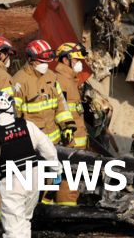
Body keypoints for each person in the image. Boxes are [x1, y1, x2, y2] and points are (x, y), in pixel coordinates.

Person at [0, 91, 58, 238]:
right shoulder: (27, 125)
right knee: (25, 220)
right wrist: (56, 168)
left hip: (12, 181)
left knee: (14, 228)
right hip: (33, 177)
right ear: (10, 107)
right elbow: (46, 146)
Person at [11, 39, 75, 145]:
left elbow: (61, 104)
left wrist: (67, 126)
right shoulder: (19, 81)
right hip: (34, 144)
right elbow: (14, 115)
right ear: (31, 60)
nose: (45, 65)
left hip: (55, 142)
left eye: (46, 62)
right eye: (41, 62)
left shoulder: (51, 76)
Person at [47, 42, 88, 206]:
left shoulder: (69, 79)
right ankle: (66, 211)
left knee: (71, 179)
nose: (80, 64)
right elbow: (59, 112)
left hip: (75, 141)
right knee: (68, 179)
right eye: (77, 60)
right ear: (66, 60)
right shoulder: (61, 81)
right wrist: (68, 139)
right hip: (69, 143)